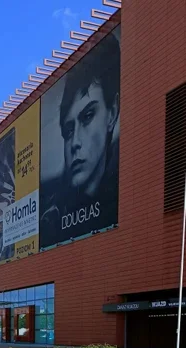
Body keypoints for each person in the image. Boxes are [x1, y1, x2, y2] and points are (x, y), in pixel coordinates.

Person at [40, 31, 120, 247]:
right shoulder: (49, 219)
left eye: (87, 117)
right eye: (68, 130)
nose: (74, 142)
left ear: (112, 113)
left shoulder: (124, 193)